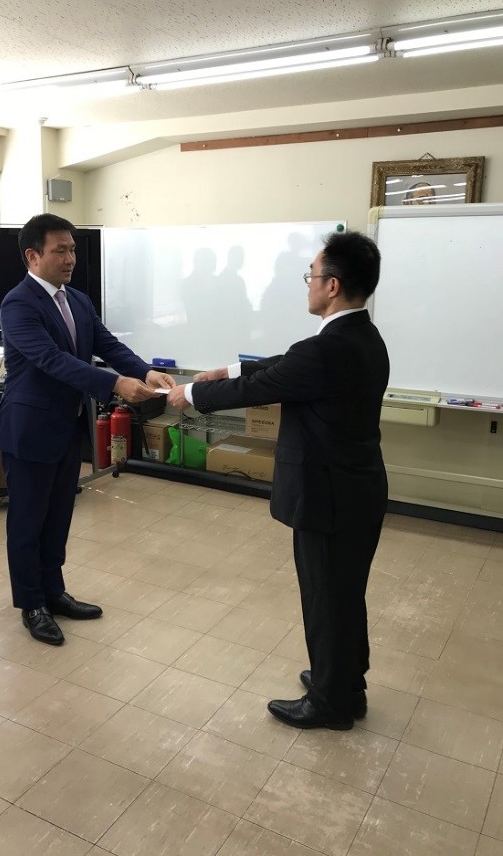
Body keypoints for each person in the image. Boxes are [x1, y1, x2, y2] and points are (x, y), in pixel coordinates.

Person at [167, 230, 389, 730]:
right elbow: (286, 364)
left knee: (326, 596)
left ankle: (331, 703)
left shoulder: (326, 350)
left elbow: (266, 384)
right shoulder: (361, 337)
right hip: (356, 491)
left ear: (332, 285)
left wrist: (190, 395)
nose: (308, 283)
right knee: (343, 594)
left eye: (311, 275)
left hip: (328, 498)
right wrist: (224, 370)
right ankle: (345, 684)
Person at [0, 213, 175, 646]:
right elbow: (52, 360)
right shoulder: (18, 304)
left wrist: (144, 371)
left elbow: (106, 344)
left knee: (58, 516)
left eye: (72, 249)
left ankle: (53, 592)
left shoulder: (77, 299)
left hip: (67, 426)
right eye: (60, 250)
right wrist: (115, 384)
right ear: (33, 256)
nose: (70, 258)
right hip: (29, 429)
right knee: (28, 522)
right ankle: (32, 604)